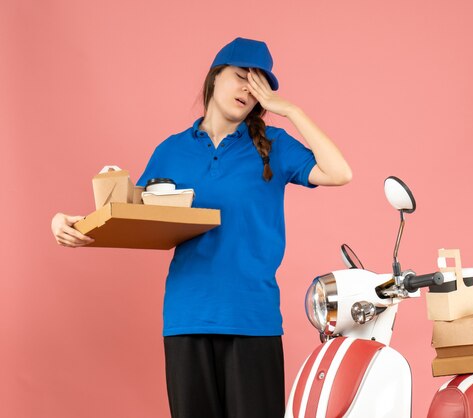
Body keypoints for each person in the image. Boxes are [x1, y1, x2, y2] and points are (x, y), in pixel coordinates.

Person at [50, 37, 352, 418]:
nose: (248, 89)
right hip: (186, 318)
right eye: (241, 76)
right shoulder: (171, 150)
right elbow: (128, 214)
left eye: (258, 86)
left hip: (252, 318)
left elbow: (340, 172)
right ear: (214, 78)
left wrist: (289, 110)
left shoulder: (273, 144)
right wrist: (66, 221)